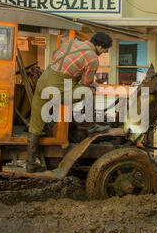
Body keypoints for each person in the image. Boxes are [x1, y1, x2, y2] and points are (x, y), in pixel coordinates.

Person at [26, 31, 113, 172]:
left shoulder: (70, 42)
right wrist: (90, 85)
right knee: (88, 92)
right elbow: (86, 83)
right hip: (57, 86)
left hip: (44, 80)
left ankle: (30, 164)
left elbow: (55, 57)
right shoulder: (92, 58)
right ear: (100, 45)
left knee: (36, 125)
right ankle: (91, 127)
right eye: (104, 51)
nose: (103, 53)